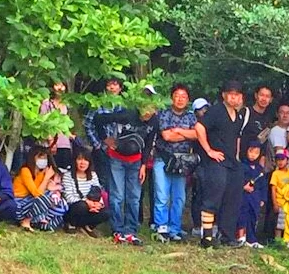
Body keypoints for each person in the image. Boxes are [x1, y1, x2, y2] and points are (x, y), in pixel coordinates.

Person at [194, 80, 259, 247]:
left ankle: (227, 235)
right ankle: (206, 237)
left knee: (233, 198)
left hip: (232, 162)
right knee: (213, 196)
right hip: (217, 160)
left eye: (237, 95)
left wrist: (236, 157)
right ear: (224, 95)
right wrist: (209, 150)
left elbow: (236, 137)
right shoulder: (216, 110)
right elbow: (199, 127)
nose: (233, 98)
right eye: (230, 94)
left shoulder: (238, 115)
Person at [89, 102, 155, 246]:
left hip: (136, 161)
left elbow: (149, 144)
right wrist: (104, 138)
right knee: (117, 195)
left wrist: (144, 164)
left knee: (134, 196)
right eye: (145, 108)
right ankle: (117, 229)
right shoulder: (127, 115)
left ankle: (131, 229)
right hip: (117, 159)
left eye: (152, 109)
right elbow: (98, 119)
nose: (148, 113)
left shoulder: (154, 121)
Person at [153, 84, 199, 242]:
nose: (180, 99)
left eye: (184, 96)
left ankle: (175, 228)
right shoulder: (164, 114)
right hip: (163, 158)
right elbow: (166, 136)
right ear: (172, 97)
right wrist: (186, 133)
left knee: (179, 197)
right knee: (162, 194)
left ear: (188, 100)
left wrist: (178, 131)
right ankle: (161, 227)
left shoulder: (192, 116)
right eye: (177, 96)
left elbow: (197, 134)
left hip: (183, 161)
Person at [13, 145, 65, 232]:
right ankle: (26, 221)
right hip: (19, 204)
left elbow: (45, 190)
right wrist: (46, 178)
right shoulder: (25, 171)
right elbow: (36, 194)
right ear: (33, 158)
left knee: (58, 202)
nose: (43, 160)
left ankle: (40, 222)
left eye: (45, 158)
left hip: (30, 202)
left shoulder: (40, 173)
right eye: (40, 157)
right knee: (45, 198)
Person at [61, 150, 109, 235]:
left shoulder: (93, 175)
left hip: (91, 206)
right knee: (81, 206)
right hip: (74, 208)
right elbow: (68, 197)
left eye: (86, 160)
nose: (82, 163)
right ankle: (71, 224)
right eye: (79, 159)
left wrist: (98, 204)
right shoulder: (68, 176)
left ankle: (87, 226)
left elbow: (98, 191)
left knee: (107, 212)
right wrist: (87, 202)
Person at [237, 142, 269, 248]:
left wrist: (263, 199)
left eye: (256, 153)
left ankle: (251, 239)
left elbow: (263, 185)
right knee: (242, 215)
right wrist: (243, 186)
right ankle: (241, 237)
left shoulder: (259, 169)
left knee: (253, 217)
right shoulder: (241, 166)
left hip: (255, 197)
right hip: (243, 196)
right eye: (251, 151)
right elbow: (236, 181)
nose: (253, 155)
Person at [40, 81, 76, 168]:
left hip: (65, 144)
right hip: (51, 145)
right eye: (57, 85)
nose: (59, 88)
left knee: (64, 171)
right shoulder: (47, 103)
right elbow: (42, 123)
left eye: (62, 85)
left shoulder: (68, 105)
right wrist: (51, 141)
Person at [269, 151, 289, 245]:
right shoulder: (275, 173)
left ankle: (287, 241)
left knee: (288, 223)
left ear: (287, 160)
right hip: (280, 202)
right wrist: (275, 203)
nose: (280, 162)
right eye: (278, 159)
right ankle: (278, 241)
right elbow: (273, 189)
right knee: (278, 224)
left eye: (282, 159)